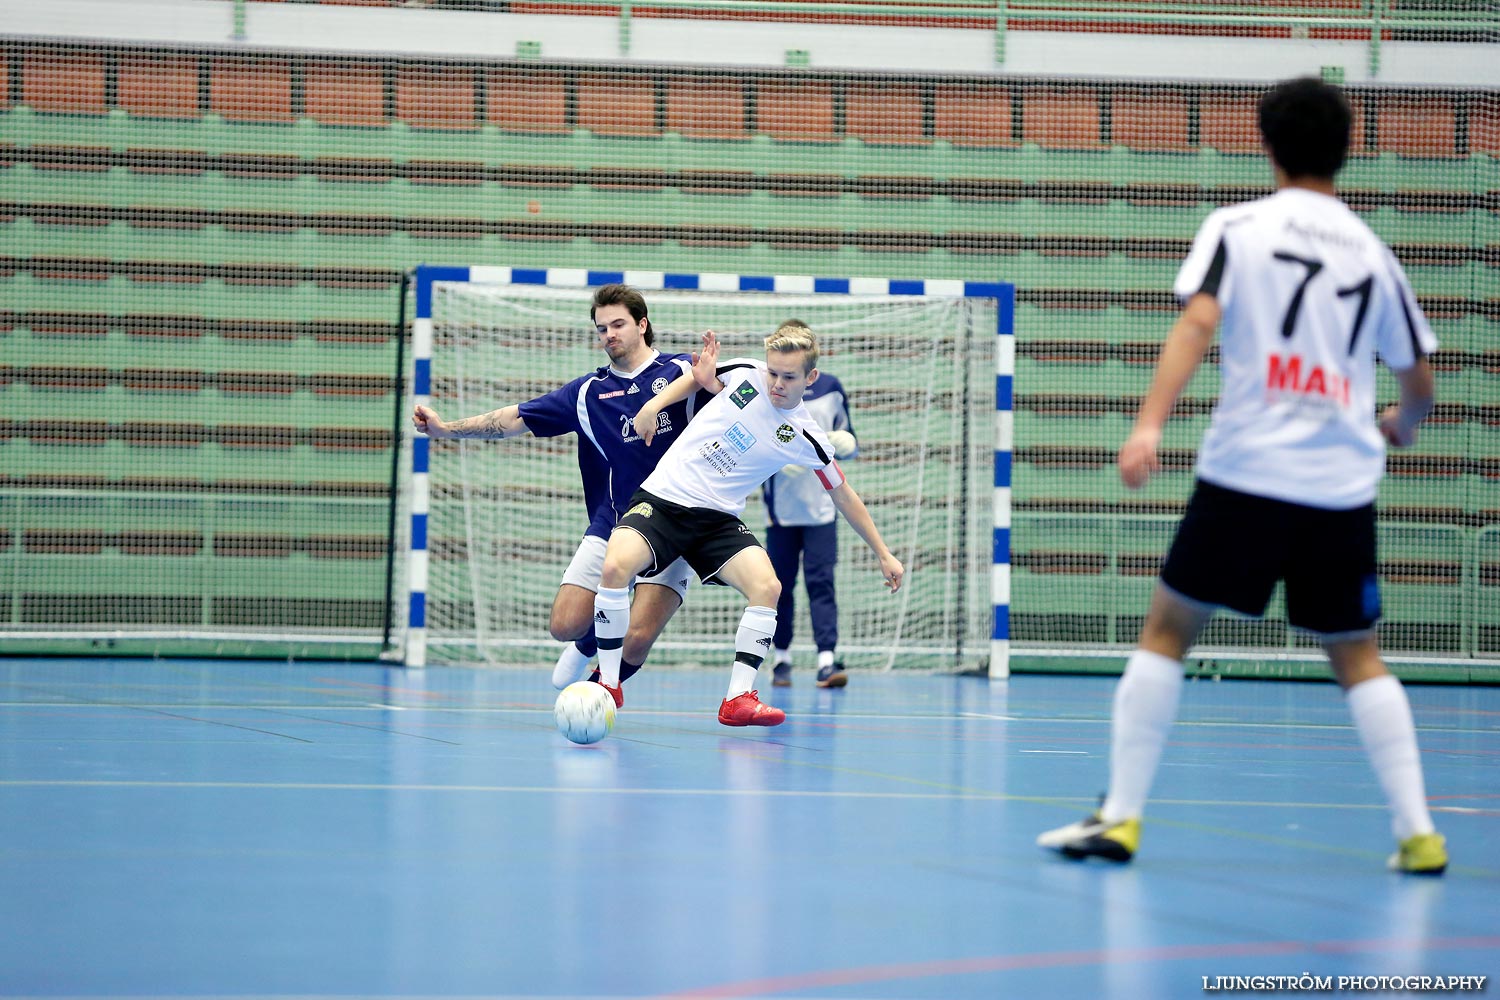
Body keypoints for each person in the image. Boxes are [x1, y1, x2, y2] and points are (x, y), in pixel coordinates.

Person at [1036, 77, 1446, 874]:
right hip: (1341, 484)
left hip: (1248, 471)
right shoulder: (1375, 252)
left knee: (1166, 632)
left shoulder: (1240, 226)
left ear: (1266, 145)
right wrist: (1402, 425)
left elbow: (1198, 319)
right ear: (1348, 147)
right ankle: (1419, 834)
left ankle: (1120, 818)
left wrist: (1149, 423)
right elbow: (1419, 378)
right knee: (1358, 654)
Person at [591, 321, 905, 726]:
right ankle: (609, 684)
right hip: (665, 499)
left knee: (768, 586)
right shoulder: (744, 373)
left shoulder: (806, 437)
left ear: (810, 377)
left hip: (717, 519)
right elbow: (695, 379)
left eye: (788, 377)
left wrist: (883, 553)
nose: (776, 383)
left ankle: (738, 698)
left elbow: (842, 493)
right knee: (615, 567)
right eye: (773, 371)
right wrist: (653, 406)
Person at [412, 284, 700, 701]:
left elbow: (740, 392)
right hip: (617, 521)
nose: (609, 335)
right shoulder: (587, 393)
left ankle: (593, 697)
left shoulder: (683, 372)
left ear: (642, 324)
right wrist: (445, 429)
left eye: (618, 324)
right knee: (564, 625)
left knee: (635, 637)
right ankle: (585, 644)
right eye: (601, 329)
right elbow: (513, 419)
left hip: (678, 526)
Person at [760, 351, 859, 689]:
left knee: (821, 581)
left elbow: (847, 440)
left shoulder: (832, 388)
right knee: (779, 586)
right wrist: (775, 460)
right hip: (781, 513)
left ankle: (826, 661)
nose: (783, 378)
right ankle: (782, 659)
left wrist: (848, 444)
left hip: (822, 508)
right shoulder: (766, 389)